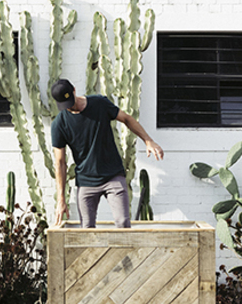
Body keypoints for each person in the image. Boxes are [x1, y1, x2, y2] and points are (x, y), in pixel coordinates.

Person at [50, 79, 164, 228]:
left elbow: (126, 119)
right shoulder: (59, 124)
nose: (70, 107)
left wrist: (148, 140)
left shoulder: (99, 103)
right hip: (86, 181)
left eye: (71, 101)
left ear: (74, 90)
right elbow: (60, 163)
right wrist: (61, 200)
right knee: (86, 229)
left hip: (113, 175)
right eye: (66, 105)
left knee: (123, 223)